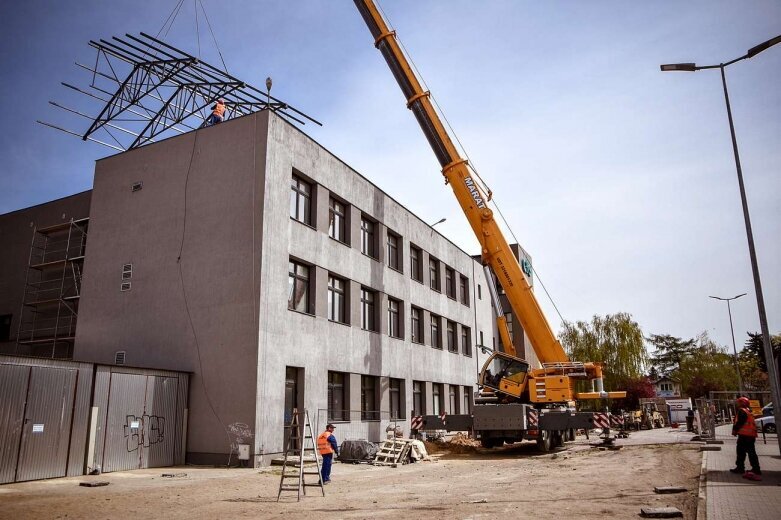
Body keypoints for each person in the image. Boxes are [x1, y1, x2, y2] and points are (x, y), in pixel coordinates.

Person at [730, 396, 761, 480]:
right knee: (751, 452)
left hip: (745, 435)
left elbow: (740, 422)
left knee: (741, 452)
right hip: (750, 435)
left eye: (739, 402)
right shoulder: (748, 411)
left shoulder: (742, 411)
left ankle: (741, 468)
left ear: (742, 403)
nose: (737, 404)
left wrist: (735, 430)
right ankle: (755, 468)